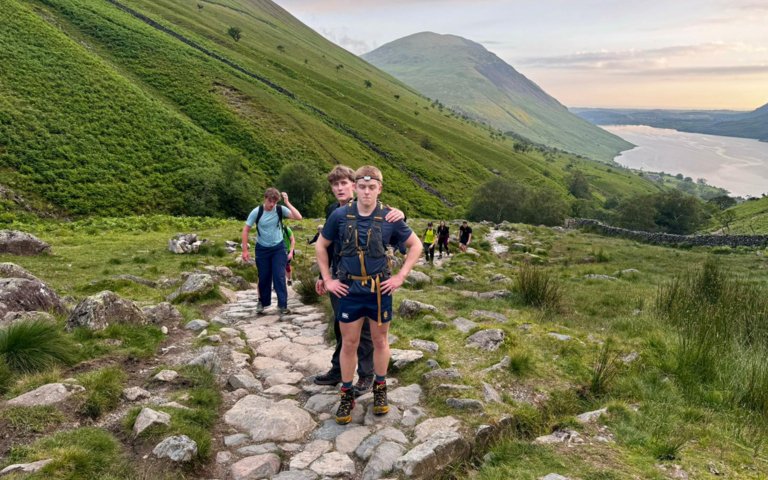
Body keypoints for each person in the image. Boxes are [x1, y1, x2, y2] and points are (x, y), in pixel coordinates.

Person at [316, 165, 422, 425]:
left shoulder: (390, 218)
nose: (366, 192)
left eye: (371, 187)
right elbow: (321, 244)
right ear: (356, 186)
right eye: (362, 187)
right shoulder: (340, 215)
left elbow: (415, 245)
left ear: (379, 189)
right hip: (349, 289)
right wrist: (328, 279)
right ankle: (346, 393)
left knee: (380, 341)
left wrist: (400, 277)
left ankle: (380, 390)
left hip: (379, 290)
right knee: (349, 342)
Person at [242, 188, 302, 316]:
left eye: (274, 202)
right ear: (265, 198)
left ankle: (282, 306)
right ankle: (262, 302)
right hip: (262, 248)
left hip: (278, 248)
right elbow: (246, 230)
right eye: (270, 201)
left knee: (279, 275)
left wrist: (287, 202)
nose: (272, 205)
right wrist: (245, 250)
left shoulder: (280, 209)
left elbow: (299, 217)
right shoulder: (257, 211)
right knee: (264, 277)